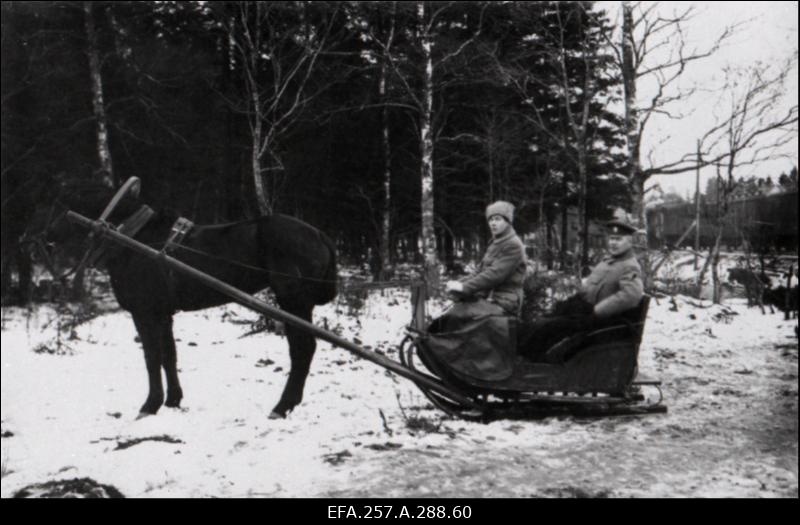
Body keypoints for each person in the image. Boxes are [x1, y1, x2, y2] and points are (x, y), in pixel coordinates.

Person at [518, 218, 645, 360]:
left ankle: (531, 361)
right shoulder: (607, 262)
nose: (613, 243)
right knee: (542, 322)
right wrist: (573, 302)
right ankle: (528, 358)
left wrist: (598, 310)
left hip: (603, 322)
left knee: (550, 327)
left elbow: (631, 296)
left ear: (629, 242)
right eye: (611, 239)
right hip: (586, 313)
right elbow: (590, 288)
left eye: (619, 239)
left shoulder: (629, 266)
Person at [444, 200, 527, 317]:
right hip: (490, 297)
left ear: (508, 222)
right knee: (451, 314)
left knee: (458, 315)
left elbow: (495, 275)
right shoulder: (496, 242)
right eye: (490, 219)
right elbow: (480, 270)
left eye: (498, 219)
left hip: (505, 300)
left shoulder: (513, 244)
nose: (493, 223)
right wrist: (460, 283)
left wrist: (465, 287)